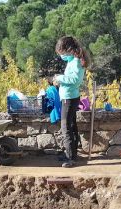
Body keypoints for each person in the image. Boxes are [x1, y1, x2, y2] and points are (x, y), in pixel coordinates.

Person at [53, 36, 90, 168]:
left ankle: (70, 158)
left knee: (66, 127)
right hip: (70, 97)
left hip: (69, 99)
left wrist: (59, 78)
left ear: (68, 49)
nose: (61, 55)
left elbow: (75, 80)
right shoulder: (73, 60)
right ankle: (72, 154)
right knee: (72, 126)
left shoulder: (75, 62)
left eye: (62, 52)